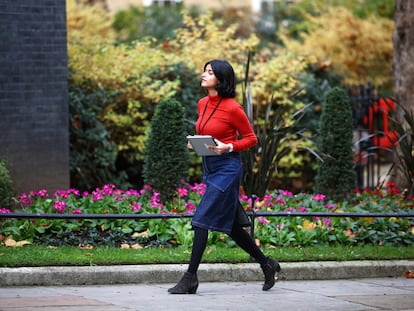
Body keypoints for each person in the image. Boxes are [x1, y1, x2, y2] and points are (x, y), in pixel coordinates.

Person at [168, 60, 281, 294]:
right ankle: (267, 264)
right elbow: (208, 134)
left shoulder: (233, 108)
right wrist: (197, 144)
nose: (203, 74)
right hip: (210, 167)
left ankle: (190, 278)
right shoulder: (202, 103)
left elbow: (251, 139)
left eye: (209, 72)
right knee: (232, 227)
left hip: (228, 169)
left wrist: (228, 147)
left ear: (221, 78)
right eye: (204, 70)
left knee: (201, 220)